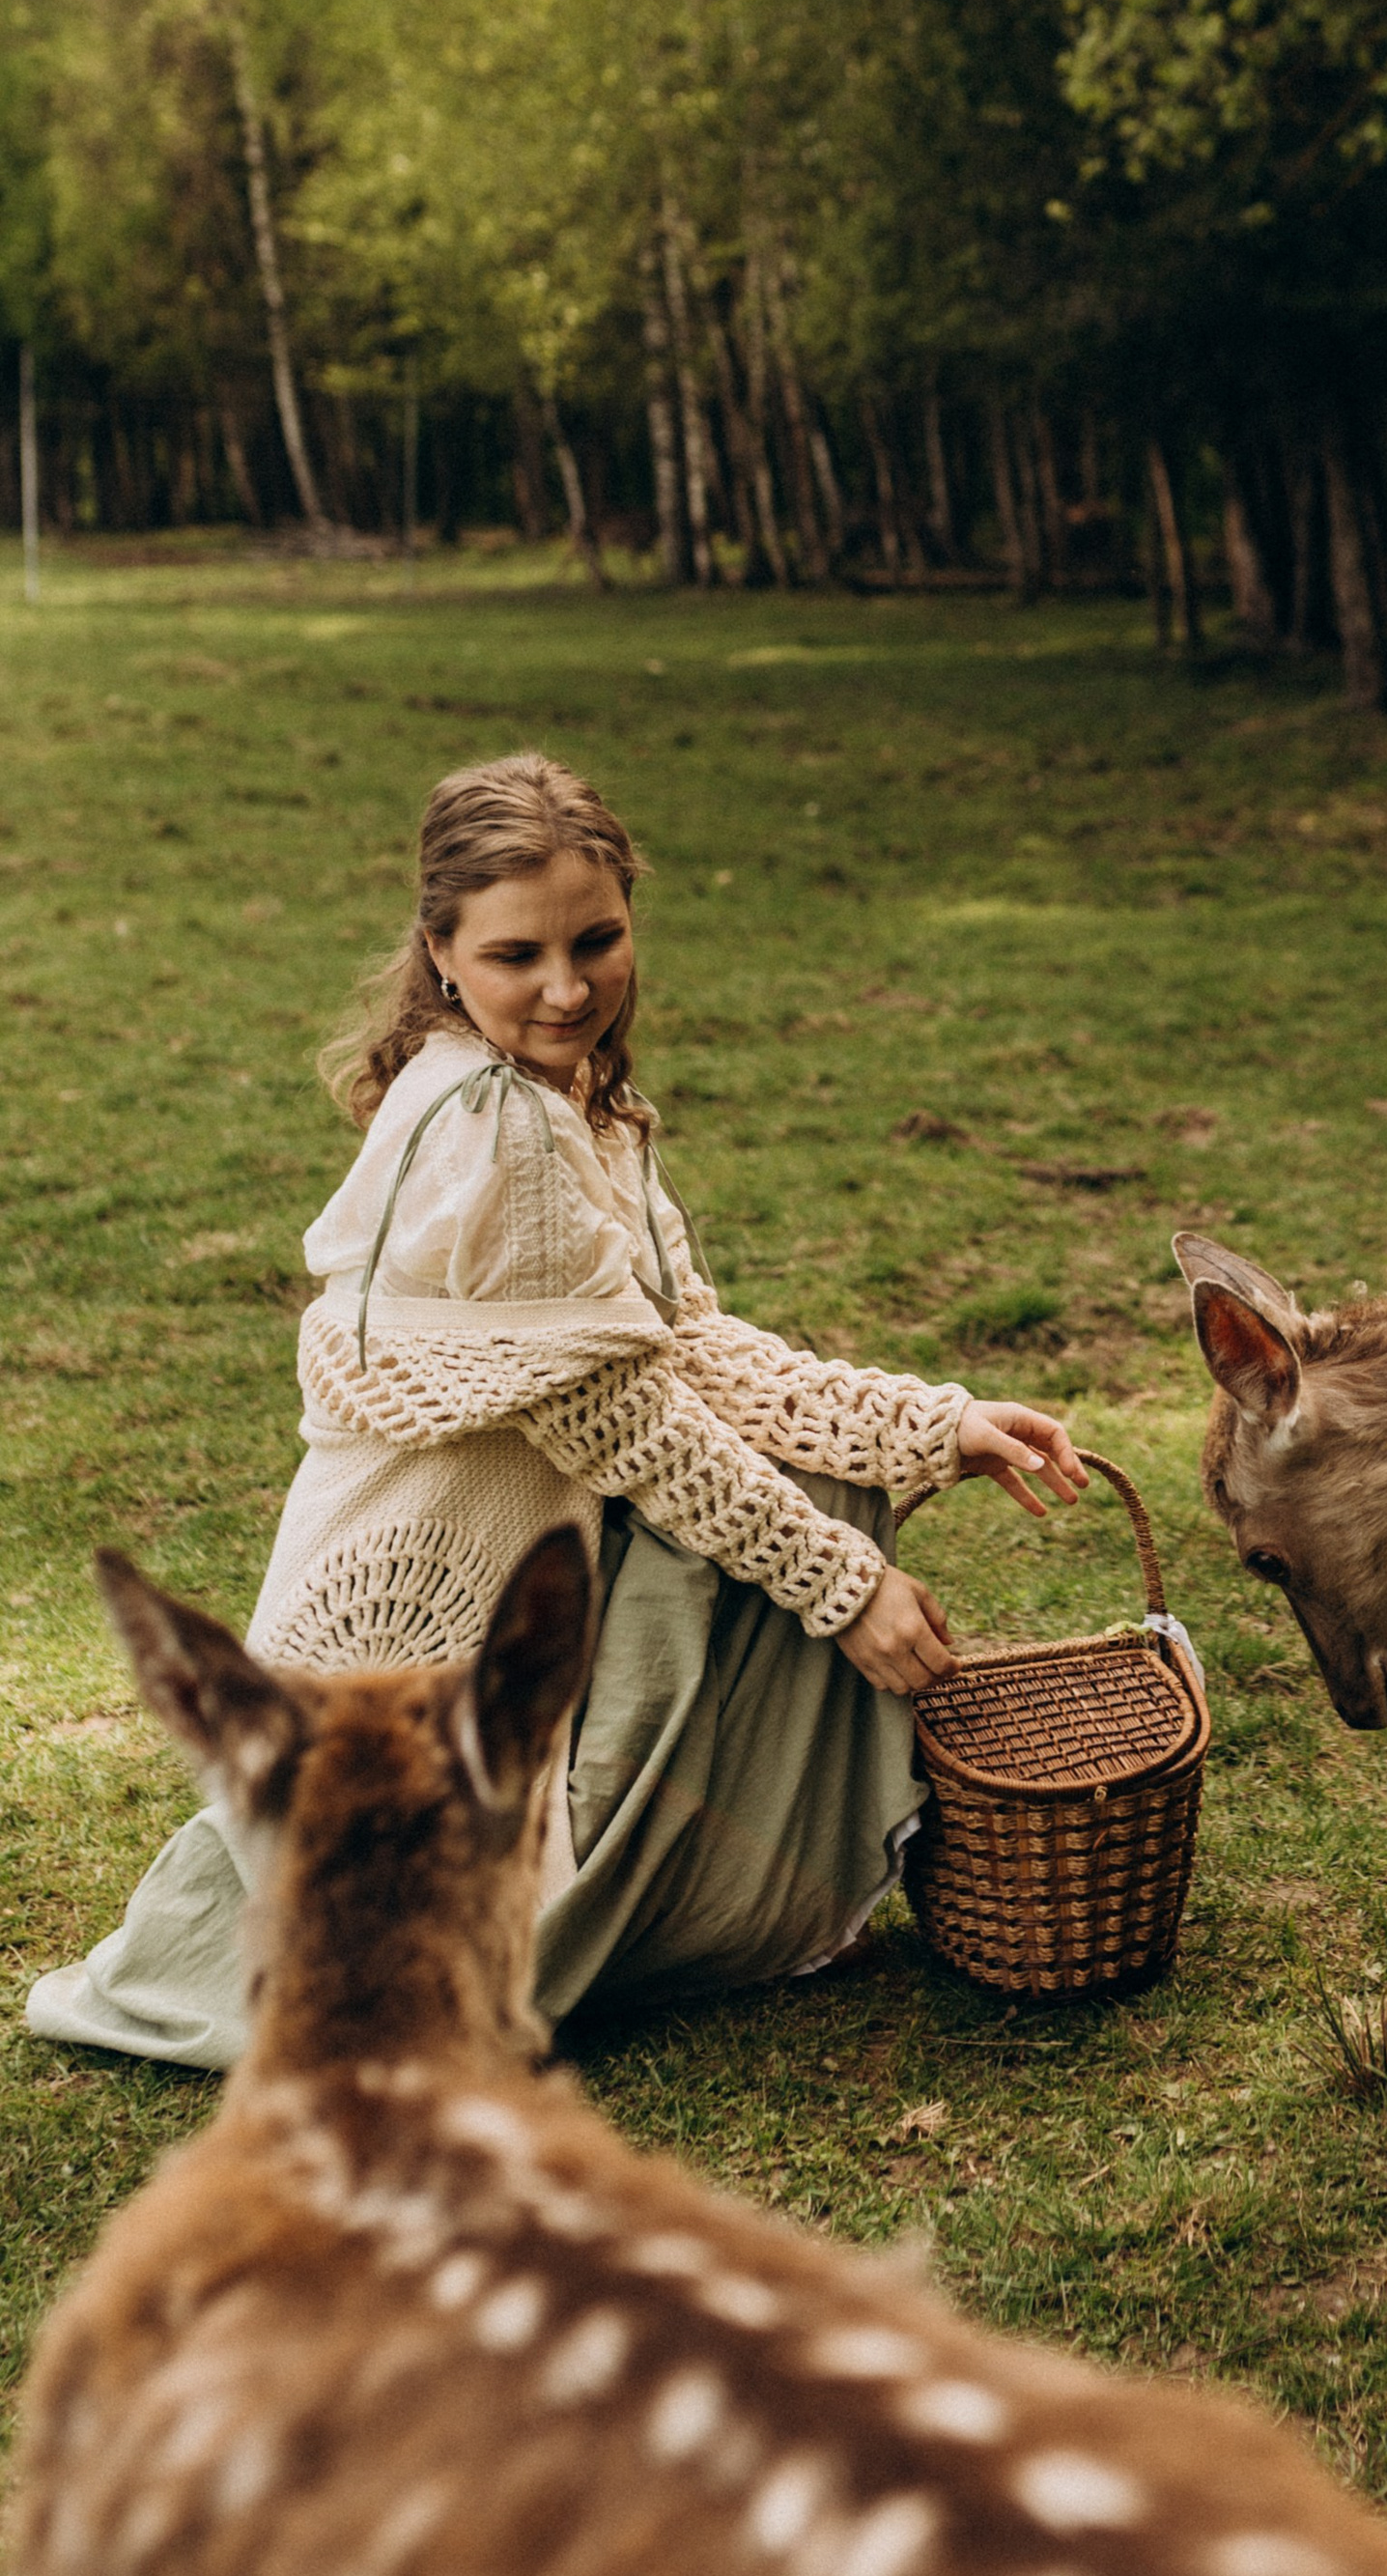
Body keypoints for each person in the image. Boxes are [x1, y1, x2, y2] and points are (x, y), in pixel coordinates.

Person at [28, 750, 1084, 2071]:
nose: (569, 986)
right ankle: (640, 1910)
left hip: (521, 1588)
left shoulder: (578, 1105)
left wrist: (930, 1424)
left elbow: (687, 1346)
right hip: (422, 1654)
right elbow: (633, 1424)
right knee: (807, 1521)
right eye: (519, 953)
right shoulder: (494, 1132)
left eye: (599, 940)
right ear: (443, 949)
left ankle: (684, 1878)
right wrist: (844, 1589)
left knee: (827, 1472)